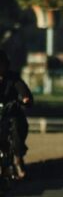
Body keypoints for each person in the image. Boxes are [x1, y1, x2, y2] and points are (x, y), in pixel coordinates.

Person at [0, 50, 33, 179]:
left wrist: (25, 99)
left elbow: (23, 91)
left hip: (11, 114)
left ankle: (18, 160)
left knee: (17, 128)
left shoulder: (13, 78)